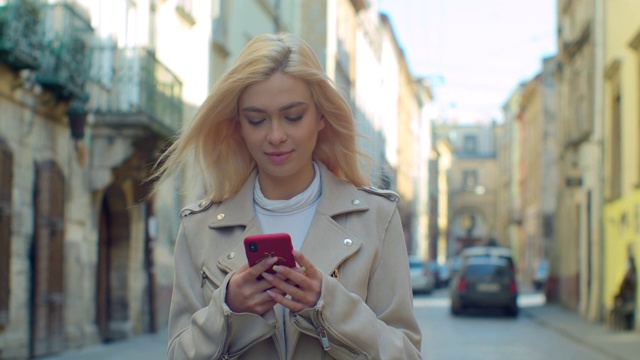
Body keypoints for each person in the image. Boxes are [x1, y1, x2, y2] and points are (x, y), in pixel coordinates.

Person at [152, 32, 422, 359]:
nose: (276, 136)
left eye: (293, 117)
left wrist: (328, 303)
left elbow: (405, 353)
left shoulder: (377, 216)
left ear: (321, 116)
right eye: (256, 120)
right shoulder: (199, 227)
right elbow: (178, 353)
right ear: (238, 125)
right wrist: (227, 309)